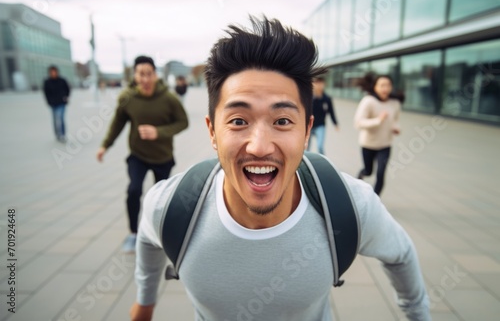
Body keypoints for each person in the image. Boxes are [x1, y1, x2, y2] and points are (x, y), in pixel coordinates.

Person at [130, 17, 430, 321]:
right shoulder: (171, 206)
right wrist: (144, 303)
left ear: (306, 131)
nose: (259, 147)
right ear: (212, 132)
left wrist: (419, 315)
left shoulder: (352, 206)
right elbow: (146, 238)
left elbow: (401, 255)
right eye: (238, 121)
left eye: (282, 121)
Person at [97, 55, 188, 253]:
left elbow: (183, 122)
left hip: (163, 156)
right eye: (141, 74)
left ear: (155, 75)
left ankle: (161, 233)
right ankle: (133, 233)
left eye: (149, 74)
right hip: (137, 155)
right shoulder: (127, 98)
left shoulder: (169, 98)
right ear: (135, 76)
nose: (145, 79)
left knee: (161, 199)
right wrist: (105, 145)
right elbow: (118, 123)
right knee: (133, 190)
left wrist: (159, 132)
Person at [354, 73, 403, 195]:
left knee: (381, 173)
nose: (385, 88)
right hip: (368, 144)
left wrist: (396, 128)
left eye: (388, 85)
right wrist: (378, 120)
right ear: (375, 87)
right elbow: (358, 123)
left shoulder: (395, 103)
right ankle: (358, 180)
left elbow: (395, 120)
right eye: (382, 85)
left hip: (385, 144)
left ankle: (375, 200)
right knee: (368, 171)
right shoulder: (368, 101)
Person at [307, 76, 339, 154]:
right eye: (317, 83)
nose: (319, 85)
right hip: (309, 126)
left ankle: (322, 162)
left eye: (321, 83)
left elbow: (331, 112)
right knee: (307, 147)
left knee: (320, 146)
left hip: (320, 125)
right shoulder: (309, 98)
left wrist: (335, 123)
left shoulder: (327, 99)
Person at [43, 65, 71, 142]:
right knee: (55, 119)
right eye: (52, 72)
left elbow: (68, 89)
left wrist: (66, 97)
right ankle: (57, 134)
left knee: (60, 118)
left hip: (61, 103)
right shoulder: (47, 82)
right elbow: (46, 93)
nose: (53, 73)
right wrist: (49, 102)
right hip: (53, 104)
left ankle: (62, 134)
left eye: (55, 72)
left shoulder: (62, 80)